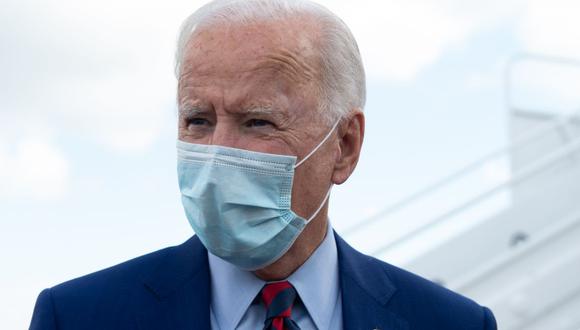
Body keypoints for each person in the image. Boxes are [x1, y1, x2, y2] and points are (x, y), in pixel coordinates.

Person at [29, 0, 497, 329]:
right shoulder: (76, 317)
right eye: (197, 120)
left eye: (257, 122)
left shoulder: (451, 322)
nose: (218, 154)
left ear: (345, 145)